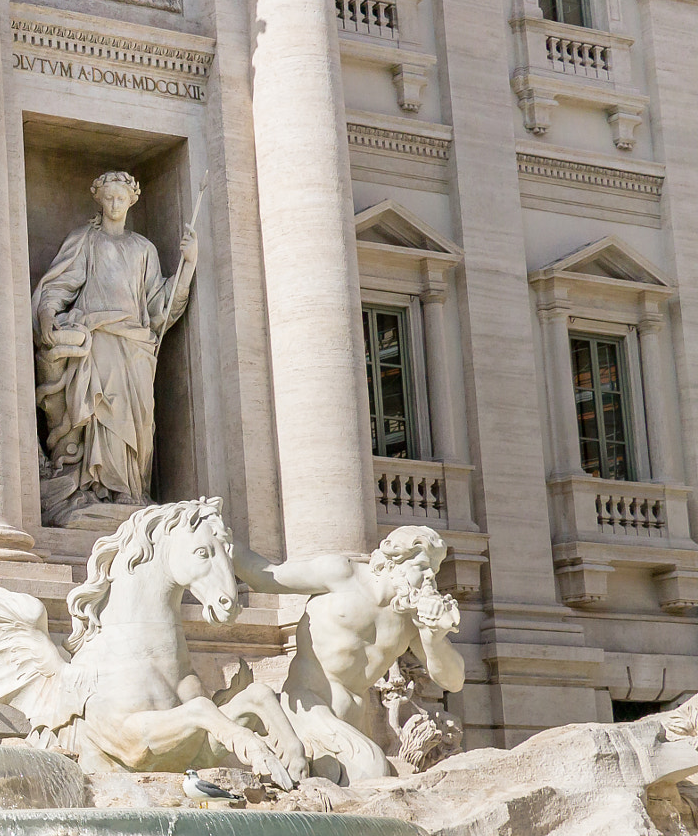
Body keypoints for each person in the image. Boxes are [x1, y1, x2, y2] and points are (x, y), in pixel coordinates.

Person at [233, 525, 467, 781]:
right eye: (422, 567)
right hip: (308, 707)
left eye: (434, 571)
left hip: (354, 724)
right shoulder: (342, 574)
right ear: (393, 561)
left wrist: (434, 636)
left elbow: (453, 681)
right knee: (372, 770)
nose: (430, 579)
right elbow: (265, 577)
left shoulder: (412, 619)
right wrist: (219, 540)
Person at [32, 170, 197, 522]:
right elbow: (59, 286)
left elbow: (159, 307)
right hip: (99, 340)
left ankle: (131, 490)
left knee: (136, 422)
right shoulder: (85, 241)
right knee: (101, 414)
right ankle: (95, 488)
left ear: (131, 201)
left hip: (136, 346)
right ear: (99, 200)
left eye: (121, 198)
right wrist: (47, 314)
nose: (115, 203)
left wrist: (188, 266)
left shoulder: (143, 249)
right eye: (109, 198)